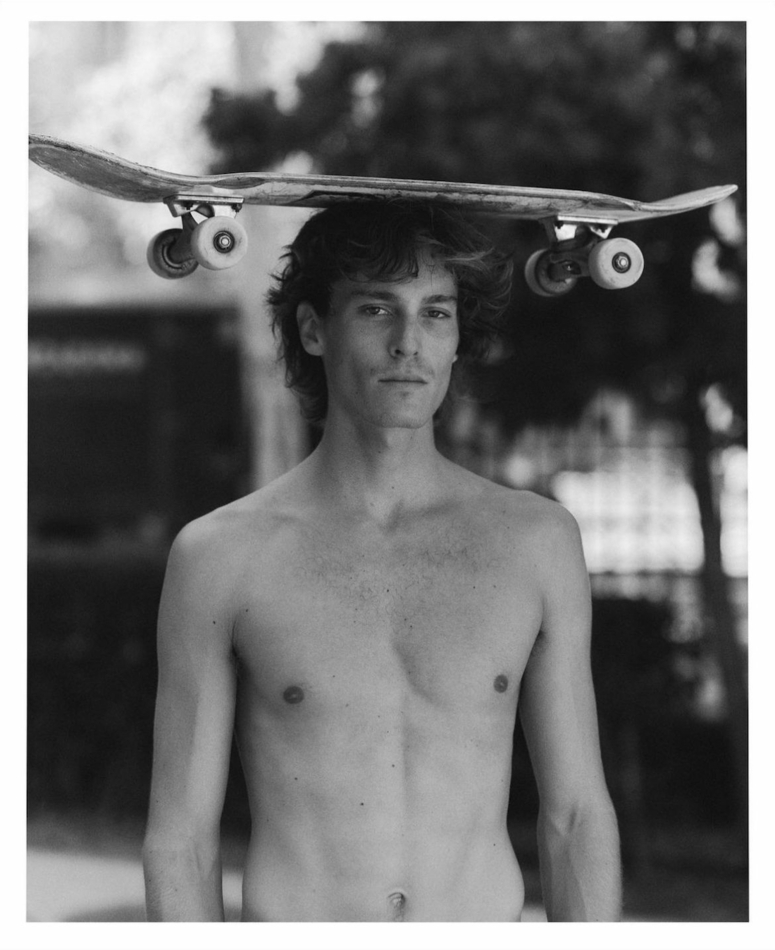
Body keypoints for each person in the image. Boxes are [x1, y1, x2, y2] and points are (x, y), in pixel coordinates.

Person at [142, 200, 621, 922]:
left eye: (436, 313)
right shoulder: (221, 556)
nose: (408, 343)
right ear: (313, 329)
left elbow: (576, 817)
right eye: (375, 310)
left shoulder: (536, 542)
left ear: (456, 339)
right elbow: (181, 841)